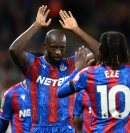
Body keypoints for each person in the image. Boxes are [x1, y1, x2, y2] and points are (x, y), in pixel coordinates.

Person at [9, 5, 99, 133]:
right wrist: (36, 25)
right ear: (45, 46)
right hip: (40, 128)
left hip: (65, 127)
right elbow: (14, 50)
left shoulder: (72, 64)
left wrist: (77, 29)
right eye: (54, 47)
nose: (58, 52)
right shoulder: (33, 64)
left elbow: (102, 53)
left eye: (62, 48)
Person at [58, 31, 130, 132]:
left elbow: (60, 91)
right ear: (124, 50)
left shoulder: (88, 74)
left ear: (101, 51)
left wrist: (77, 70)